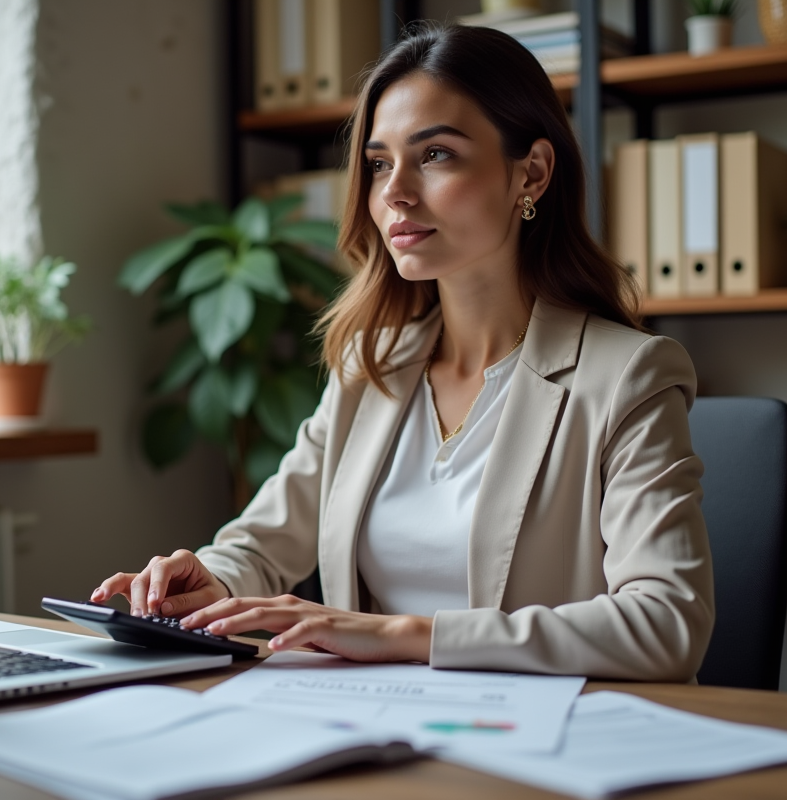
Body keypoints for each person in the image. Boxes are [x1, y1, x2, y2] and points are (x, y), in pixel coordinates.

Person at [93, 24, 715, 681]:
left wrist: (406, 635)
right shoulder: (371, 367)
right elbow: (266, 539)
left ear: (530, 172)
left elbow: (667, 622)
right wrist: (210, 580)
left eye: (437, 154)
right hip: (378, 731)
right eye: (380, 162)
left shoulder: (628, 376)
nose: (395, 192)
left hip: (546, 745)